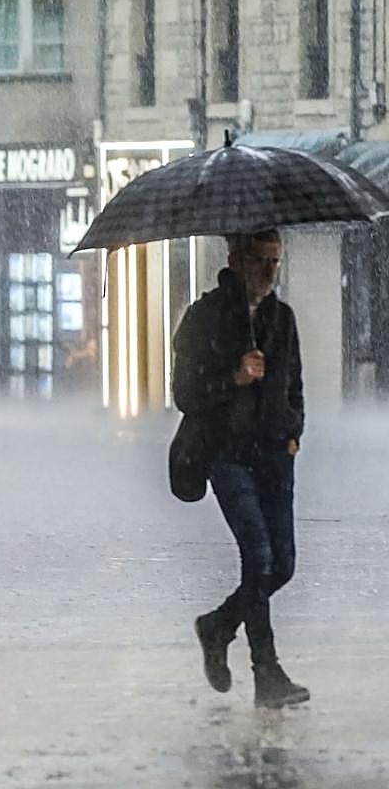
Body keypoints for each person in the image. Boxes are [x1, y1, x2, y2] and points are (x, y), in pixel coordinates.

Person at [172, 229, 309, 709]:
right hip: (227, 455)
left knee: (283, 564)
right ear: (235, 259)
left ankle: (218, 626)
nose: (269, 271)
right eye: (259, 261)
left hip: (274, 455)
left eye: (276, 261)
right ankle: (266, 672)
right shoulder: (204, 318)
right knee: (259, 556)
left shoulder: (281, 319)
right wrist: (232, 377)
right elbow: (184, 394)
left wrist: (294, 432)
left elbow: (294, 384)